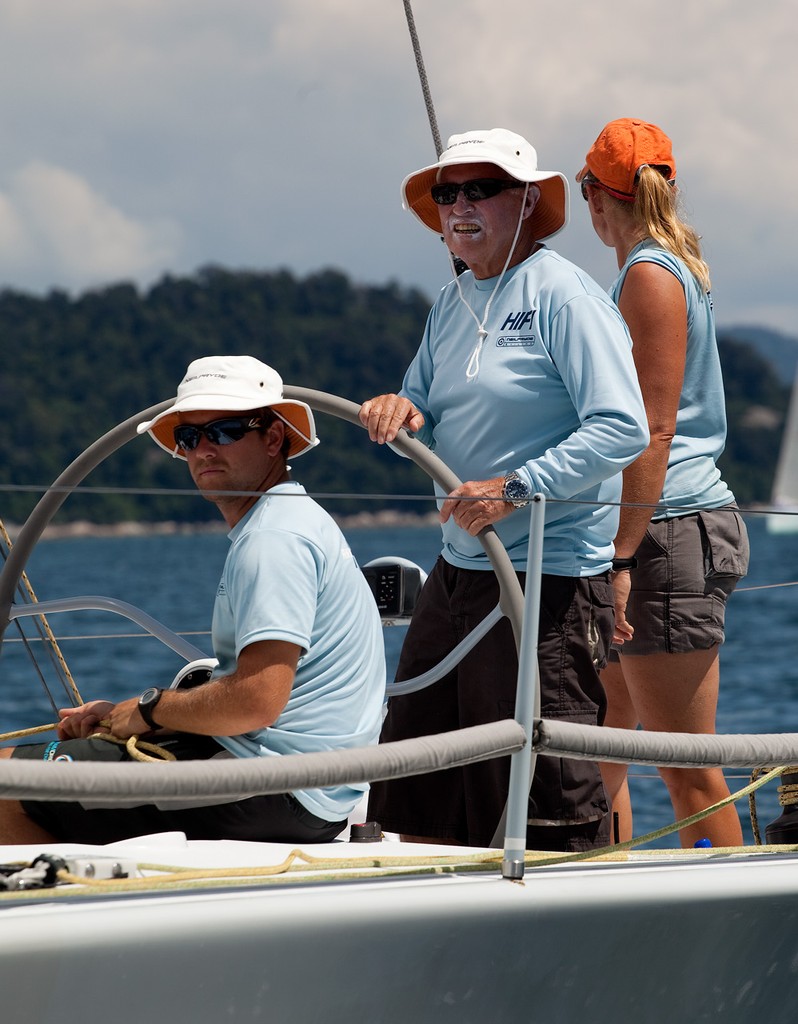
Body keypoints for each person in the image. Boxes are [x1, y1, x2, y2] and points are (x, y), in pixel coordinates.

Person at [360, 128, 650, 852]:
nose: (460, 205)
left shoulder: (566, 298)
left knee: (541, 791)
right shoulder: (452, 300)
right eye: (446, 192)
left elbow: (623, 427)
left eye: (479, 189)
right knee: (413, 768)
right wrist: (402, 409)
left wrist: (519, 488)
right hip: (460, 571)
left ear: (525, 202)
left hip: (546, 581)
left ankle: (574, 930)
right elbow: (422, 397)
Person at [0, 355, 386, 846]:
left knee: (11, 786)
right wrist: (130, 715)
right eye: (189, 438)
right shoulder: (286, 519)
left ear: (273, 438)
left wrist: (152, 709)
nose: (203, 449)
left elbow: (255, 701)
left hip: (273, 787)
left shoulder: (274, 539)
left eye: (223, 431)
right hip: (299, 784)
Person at [577, 118, 749, 847]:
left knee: (686, 767)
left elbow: (653, 429)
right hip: (661, 524)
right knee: (599, 748)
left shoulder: (648, 274)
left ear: (594, 196)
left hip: (664, 528)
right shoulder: (670, 264)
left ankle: (730, 932)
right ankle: (600, 892)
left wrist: (619, 556)